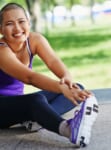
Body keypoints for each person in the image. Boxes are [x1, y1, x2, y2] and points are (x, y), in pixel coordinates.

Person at [0, 2, 98, 148]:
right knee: (36, 100)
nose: (17, 28)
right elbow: (29, 77)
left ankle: (36, 120)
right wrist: (61, 88)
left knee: (77, 88)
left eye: (21, 22)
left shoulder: (34, 40)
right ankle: (69, 130)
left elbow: (53, 61)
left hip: (17, 103)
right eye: (9, 24)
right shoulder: (2, 50)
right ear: (1, 29)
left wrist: (67, 80)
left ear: (29, 23)